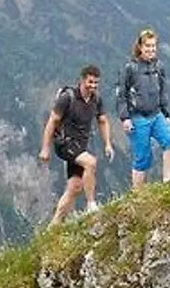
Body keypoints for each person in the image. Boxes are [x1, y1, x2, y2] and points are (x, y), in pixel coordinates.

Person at [39, 64, 114, 226]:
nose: (93, 86)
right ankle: (92, 205)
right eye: (90, 82)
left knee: (75, 187)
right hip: (64, 143)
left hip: (80, 145)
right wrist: (45, 148)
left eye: (96, 83)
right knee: (91, 162)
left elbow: (103, 120)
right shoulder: (67, 97)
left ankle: (54, 226)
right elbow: (52, 121)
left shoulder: (96, 99)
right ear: (82, 80)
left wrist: (107, 144)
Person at [116, 28, 170, 187]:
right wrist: (125, 118)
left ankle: (167, 183)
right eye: (147, 46)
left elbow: (162, 91)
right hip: (137, 117)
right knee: (142, 158)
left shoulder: (159, 66)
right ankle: (138, 196)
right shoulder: (130, 68)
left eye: (153, 46)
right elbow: (121, 94)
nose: (151, 49)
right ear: (140, 47)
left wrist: (167, 114)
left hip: (156, 114)